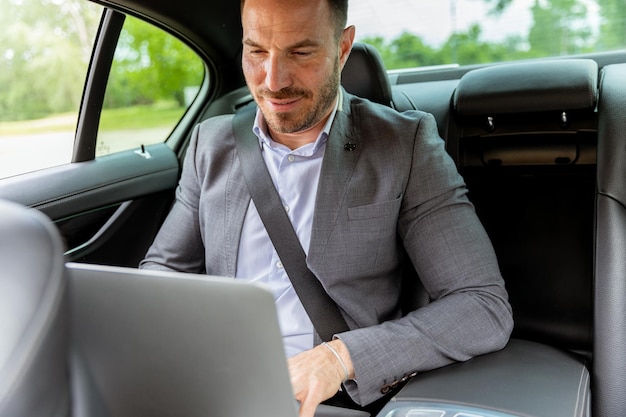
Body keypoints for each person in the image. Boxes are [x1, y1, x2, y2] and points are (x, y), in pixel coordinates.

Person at [140, 0, 513, 416]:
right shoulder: (211, 144)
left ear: (342, 47)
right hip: (215, 387)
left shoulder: (403, 145)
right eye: (257, 52)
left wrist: (339, 358)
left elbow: (481, 306)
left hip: (332, 400)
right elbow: (162, 272)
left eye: (300, 52)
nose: (273, 81)